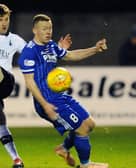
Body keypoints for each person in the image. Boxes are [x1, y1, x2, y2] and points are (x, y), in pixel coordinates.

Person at [0, 4, 71, 168]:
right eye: (0, 20)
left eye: (6, 19)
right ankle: (17, 159)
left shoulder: (15, 40)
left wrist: (59, 50)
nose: (4, 23)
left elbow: (35, 55)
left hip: (6, 81)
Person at [18, 14, 108, 168]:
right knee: (82, 128)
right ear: (34, 30)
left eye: (50, 28)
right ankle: (86, 165)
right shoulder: (29, 52)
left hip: (60, 96)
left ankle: (63, 148)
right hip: (49, 102)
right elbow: (29, 82)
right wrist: (45, 105)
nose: (48, 32)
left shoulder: (51, 45)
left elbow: (70, 55)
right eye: (44, 29)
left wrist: (95, 49)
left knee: (90, 123)